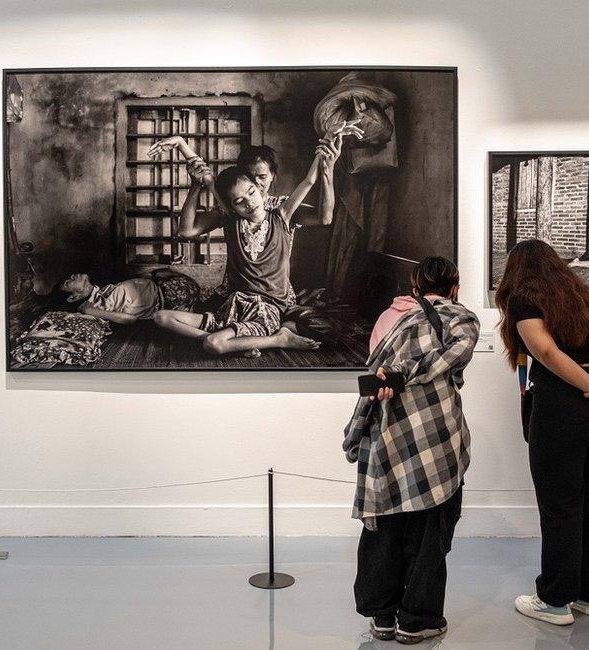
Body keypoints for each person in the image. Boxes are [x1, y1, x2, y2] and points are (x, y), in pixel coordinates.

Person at [341, 257, 479, 645]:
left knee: (386, 525)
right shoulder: (461, 319)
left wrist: (396, 376)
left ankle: (383, 616)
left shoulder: (390, 318)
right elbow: (454, 358)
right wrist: (405, 375)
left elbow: (378, 375)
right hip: (434, 435)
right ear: (454, 286)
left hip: (386, 434)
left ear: (415, 288)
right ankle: (416, 621)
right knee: (429, 529)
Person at [496, 239, 589, 626]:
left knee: (561, 505)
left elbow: (547, 354)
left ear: (517, 270)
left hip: (563, 405)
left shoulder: (524, 298)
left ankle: (554, 600)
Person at [153, 145, 334, 356]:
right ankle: (243, 341)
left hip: (267, 305)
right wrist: (183, 149)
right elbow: (205, 192)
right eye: (240, 201)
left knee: (327, 329)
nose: (250, 202)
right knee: (161, 317)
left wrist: (325, 156)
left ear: (268, 179)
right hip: (233, 304)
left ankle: (271, 338)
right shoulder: (233, 218)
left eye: (256, 186)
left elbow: (310, 185)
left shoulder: (281, 214)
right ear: (232, 206)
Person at [60, 268, 200, 325]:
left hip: (168, 285)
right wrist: (91, 311)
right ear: (73, 298)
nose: (72, 276)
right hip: (169, 300)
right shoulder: (94, 306)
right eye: (68, 282)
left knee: (158, 272)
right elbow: (130, 319)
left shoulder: (100, 290)